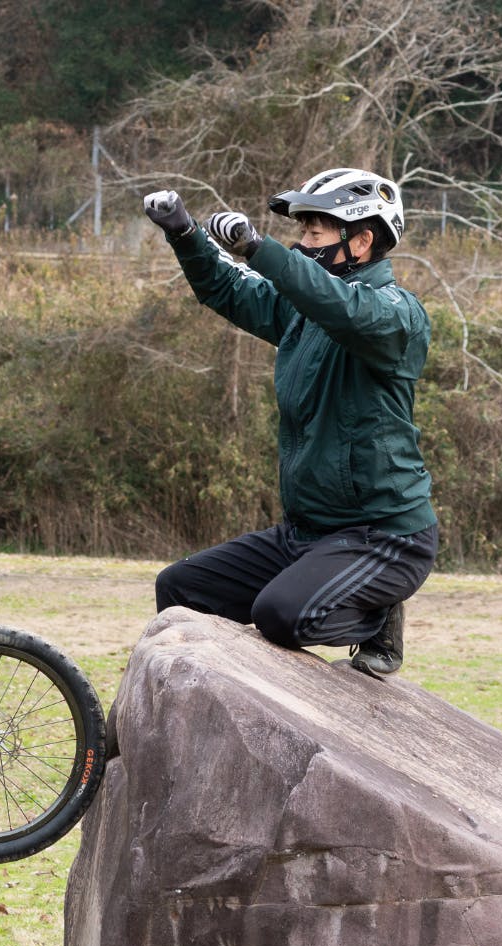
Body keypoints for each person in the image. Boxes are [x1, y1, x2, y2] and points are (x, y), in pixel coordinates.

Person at [143, 168, 439, 677]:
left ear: (362, 241)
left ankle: (376, 614)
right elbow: (231, 291)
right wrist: (185, 234)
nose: (301, 243)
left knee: (280, 616)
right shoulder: (303, 312)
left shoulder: (397, 317)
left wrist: (259, 248)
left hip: (384, 538)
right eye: (300, 233)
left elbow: (343, 309)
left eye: (314, 233)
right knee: (179, 587)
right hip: (305, 535)